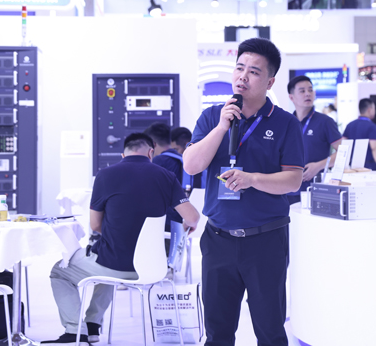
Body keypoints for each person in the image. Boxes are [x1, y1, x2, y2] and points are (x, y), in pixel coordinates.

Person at [183, 37, 304, 346]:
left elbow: (293, 180)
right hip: (218, 239)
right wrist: (222, 127)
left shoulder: (285, 123)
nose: (243, 77)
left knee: (270, 331)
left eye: (253, 71)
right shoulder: (212, 116)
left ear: (270, 82)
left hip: (266, 240)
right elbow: (192, 165)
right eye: (239, 68)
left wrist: (252, 179)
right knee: (217, 333)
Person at [43, 133, 200, 346]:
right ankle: (92, 325)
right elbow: (192, 218)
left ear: (123, 155)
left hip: (114, 266)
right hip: (155, 267)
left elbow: (95, 225)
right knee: (104, 257)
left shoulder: (105, 175)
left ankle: (75, 331)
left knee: (61, 272)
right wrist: (188, 225)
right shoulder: (166, 176)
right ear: (151, 152)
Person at [287, 75, 342, 205]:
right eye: (302, 91)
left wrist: (318, 166)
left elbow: (343, 153)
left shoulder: (325, 122)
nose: (308, 94)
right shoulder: (287, 122)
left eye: (310, 90)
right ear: (291, 97)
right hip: (287, 189)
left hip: (314, 189)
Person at [143, 123, 185, 232]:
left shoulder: (158, 162)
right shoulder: (182, 159)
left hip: (164, 223)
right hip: (182, 219)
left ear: (153, 144)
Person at [342, 98, 376, 170]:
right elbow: (374, 147)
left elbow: (343, 145)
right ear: (369, 110)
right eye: (374, 109)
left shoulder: (350, 125)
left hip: (352, 166)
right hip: (368, 165)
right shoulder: (371, 126)